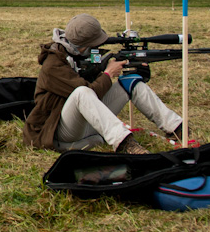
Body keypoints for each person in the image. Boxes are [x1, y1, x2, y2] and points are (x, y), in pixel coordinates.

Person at [22, 14, 183, 155]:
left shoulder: (78, 55)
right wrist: (108, 74)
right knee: (81, 92)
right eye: (95, 46)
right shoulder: (53, 65)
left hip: (84, 123)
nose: (97, 50)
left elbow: (94, 81)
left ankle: (176, 128)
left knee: (130, 82)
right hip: (56, 130)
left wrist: (136, 70)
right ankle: (124, 143)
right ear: (84, 47)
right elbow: (91, 92)